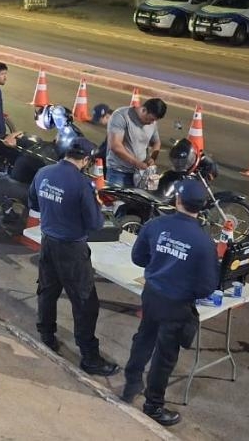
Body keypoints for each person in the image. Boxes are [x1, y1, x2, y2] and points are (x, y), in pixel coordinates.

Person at [121, 179, 219, 427]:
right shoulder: (204, 242)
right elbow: (208, 286)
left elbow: (138, 258)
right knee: (164, 356)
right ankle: (153, 406)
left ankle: (131, 383)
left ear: (177, 201)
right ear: (202, 208)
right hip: (177, 304)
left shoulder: (156, 225)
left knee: (144, 337)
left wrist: (160, 269)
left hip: (152, 294)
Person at [27, 137, 119, 377]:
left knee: (47, 291)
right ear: (86, 160)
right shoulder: (81, 184)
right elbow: (95, 223)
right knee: (85, 304)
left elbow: (33, 202)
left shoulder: (44, 172)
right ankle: (90, 357)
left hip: (47, 243)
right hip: (72, 250)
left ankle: (46, 335)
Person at [105, 98, 167, 188]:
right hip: (119, 172)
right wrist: (136, 163)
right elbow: (115, 145)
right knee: (117, 201)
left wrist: (152, 158)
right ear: (144, 110)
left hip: (142, 173)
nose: (151, 123)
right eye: (149, 119)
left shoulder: (152, 123)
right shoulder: (121, 116)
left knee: (147, 200)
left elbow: (156, 142)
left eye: (154, 120)